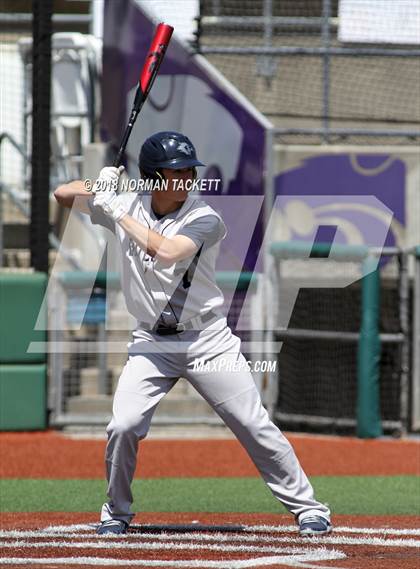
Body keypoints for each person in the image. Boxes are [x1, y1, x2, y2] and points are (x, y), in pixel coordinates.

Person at [54, 131, 332, 537]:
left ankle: (308, 508)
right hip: (151, 342)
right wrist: (100, 185)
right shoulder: (126, 202)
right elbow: (62, 194)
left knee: (251, 422)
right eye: (176, 172)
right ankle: (116, 510)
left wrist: (116, 210)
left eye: (189, 170)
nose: (186, 178)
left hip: (207, 340)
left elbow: (166, 251)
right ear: (153, 177)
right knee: (123, 425)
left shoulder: (204, 217)